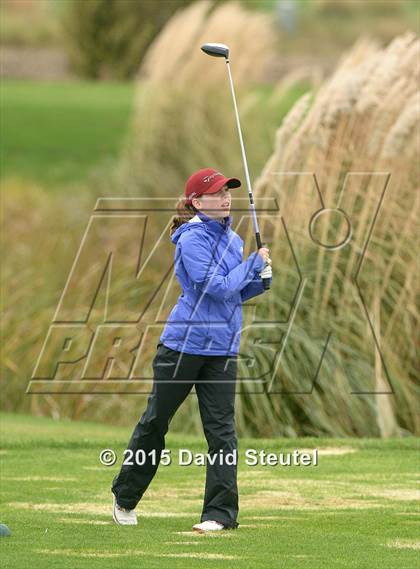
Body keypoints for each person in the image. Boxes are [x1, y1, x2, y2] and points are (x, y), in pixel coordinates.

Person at [111, 168, 272, 533]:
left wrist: (259, 282)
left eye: (227, 191)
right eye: (216, 193)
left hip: (222, 348)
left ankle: (219, 515)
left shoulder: (232, 239)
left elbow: (233, 294)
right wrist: (252, 264)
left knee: (222, 433)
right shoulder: (191, 239)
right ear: (197, 203)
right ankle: (125, 495)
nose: (225, 197)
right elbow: (214, 287)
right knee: (155, 422)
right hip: (183, 346)